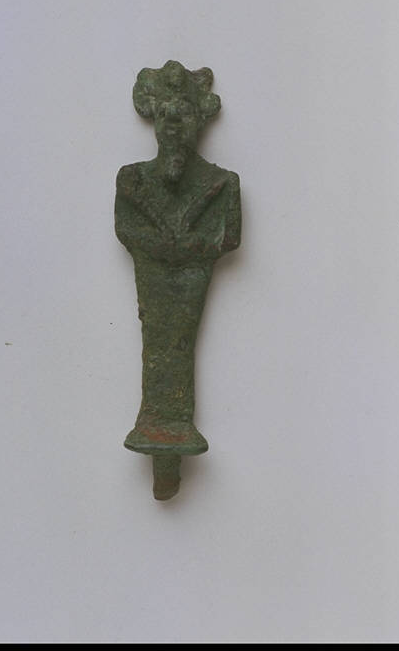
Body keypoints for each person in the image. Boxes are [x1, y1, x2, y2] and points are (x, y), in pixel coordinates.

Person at [115, 61, 241, 498]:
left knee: (177, 341)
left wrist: (188, 246)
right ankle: (160, 427)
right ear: (153, 115)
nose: (172, 122)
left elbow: (229, 236)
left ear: (199, 118)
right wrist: (167, 244)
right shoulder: (132, 180)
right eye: (165, 110)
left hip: (189, 275)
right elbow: (126, 230)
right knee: (161, 340)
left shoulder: (221, 184)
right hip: (158, 273)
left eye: (183, 111)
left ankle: (171, 427)